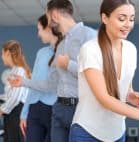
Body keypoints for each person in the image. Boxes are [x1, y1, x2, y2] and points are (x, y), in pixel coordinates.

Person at [69, 0, 139, 142]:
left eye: (132, 19)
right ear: (105, 18)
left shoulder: (131, 49)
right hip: (88, 132)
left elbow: (124, 85)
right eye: (122, 19)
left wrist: (129, 95)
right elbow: (104, 98)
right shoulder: (90, 50)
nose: (128, 24)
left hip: (117, 132)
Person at [8, 0, 97, 142]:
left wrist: (68, 64)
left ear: (54, 15)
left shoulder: (90, 36)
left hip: (81, 109)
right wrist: (23, 82)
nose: (48, 22)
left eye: (48, 17)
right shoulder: (61, 46)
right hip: (59, 109)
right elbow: (51, 84)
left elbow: (96, 75)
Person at [20, 14, 63, 142]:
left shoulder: (65, 51)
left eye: (40, 29)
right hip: (34, 109)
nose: (38, 34)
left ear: (49, 28)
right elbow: (33, 83)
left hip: (54, 109)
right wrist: (24, 113)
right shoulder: (41, 53)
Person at [1, 40, 31, 142]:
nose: (1, 57)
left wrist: (1, 110)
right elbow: (11, 95)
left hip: (16, 114)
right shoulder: (14, 70)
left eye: (2, 53)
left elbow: (15, 98)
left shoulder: (19, 70)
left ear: (7, 53)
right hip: (12, 113)